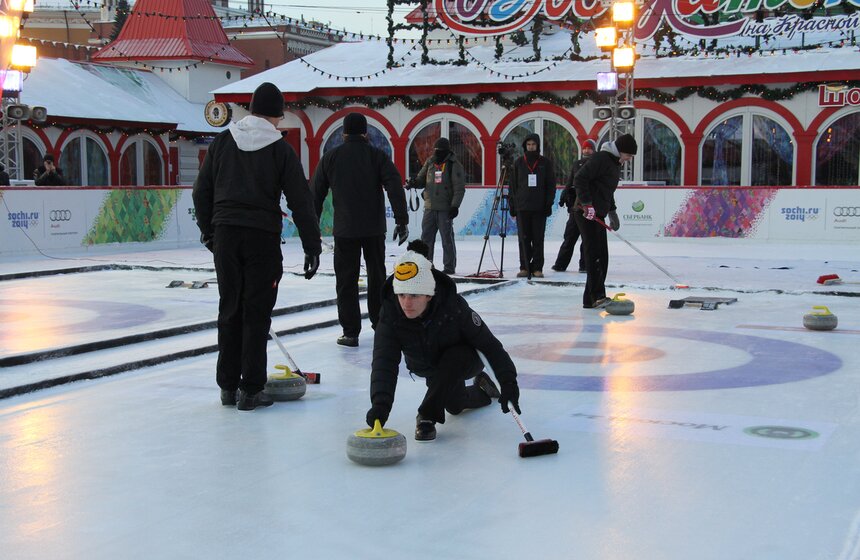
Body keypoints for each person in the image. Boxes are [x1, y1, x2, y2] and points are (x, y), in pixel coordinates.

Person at [192, 82, 322, 411]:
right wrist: (312, 246)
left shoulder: (222, 142)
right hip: (261, 238)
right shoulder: (280, 149)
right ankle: (251, 389)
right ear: (277, 115)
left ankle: (227, 386)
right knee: (256, 312)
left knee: (230, 308)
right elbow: (300, 202)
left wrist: (210, 231)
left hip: (226, 235)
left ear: (250, 109)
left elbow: (200, 191)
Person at [366, 240, 521, 441]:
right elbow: (384, 361)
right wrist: (380, 405)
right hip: (427, 364)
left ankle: (426, 417)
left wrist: (508, 382)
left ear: (429, 295)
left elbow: (489, 345)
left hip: (465, 359)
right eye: (401, 295)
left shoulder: (453, 307)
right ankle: (482, 388)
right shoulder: (390, 314)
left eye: (414, 295)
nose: (406, 303)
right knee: (454, 405)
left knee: (454, 358)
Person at [312, 112, 409, 347]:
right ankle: (380, 324)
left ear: (344, 133)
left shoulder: (330, 158)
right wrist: (401, 219)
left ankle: (350, 331)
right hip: (373, 228)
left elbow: (315, 193)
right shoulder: (377, 156)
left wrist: (311, 224)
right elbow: (394, 186)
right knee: (376, 277)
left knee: (346, 280)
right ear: (365, 133)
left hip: (345, 229)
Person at [572, 133, 637, 309]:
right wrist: (587, 204)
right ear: (621, 151)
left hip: (598, 213)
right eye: (629, 156)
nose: (628, 160)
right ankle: (596, 297)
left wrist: (612, 211)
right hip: (585, 213)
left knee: (602, 256)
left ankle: (592, 298)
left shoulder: (614, 164)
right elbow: (580, 178)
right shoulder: (601, 158)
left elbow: (606, 190)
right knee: (594, 255)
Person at [408, 137, 465, 275]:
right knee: (426, 238)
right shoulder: (430, 162)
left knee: (447, 239)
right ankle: (426, 265)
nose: (437, 153)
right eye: (436, 150)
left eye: (440, 151)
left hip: (445, 208)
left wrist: (454, 206)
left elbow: (459, 188)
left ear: (447, 151)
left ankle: (449, 267)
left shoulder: (454, 164)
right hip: (429, 207)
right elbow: (421, 179)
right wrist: (414, 183)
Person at [507, 133, 556, 278]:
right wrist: (512, 205)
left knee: (538, 239)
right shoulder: (518, 163)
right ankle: (524, 267)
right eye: (528, 145)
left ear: (538, 146)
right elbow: (513, 186)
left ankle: (537, 268)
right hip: (522, 207)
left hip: (539, 208)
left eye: (533, 144)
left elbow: (550, 185)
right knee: (523, 239)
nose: (531, 147)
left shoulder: (545, 163)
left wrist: (548, 204)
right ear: (525, 146)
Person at [552, 139, 596, 274]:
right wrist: (564, 194)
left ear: (594, 150)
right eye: (585, 148)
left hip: (588, 205)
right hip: (575, 207)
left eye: (589, 148)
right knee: (570, 236)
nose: (586, 151)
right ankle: (560, 264)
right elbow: (570, 181)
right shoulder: (577, 164)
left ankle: (585, 265)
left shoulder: (596, 164)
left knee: (587, 238)